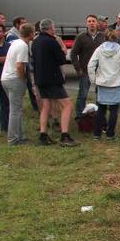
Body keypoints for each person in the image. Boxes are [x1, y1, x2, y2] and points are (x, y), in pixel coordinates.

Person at [31, 18, 79, 146]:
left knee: (46, 107)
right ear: (50, 28)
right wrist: (60, 46)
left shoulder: (35, 42)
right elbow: (62, 59)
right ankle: (64, 136)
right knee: (68, 105)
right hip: (52, 79)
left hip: (40, 79)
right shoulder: (52, 42)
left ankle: (43, 135)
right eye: (53, 27)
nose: (54, 29)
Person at [88, 29, 120, 141]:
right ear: (116, 38)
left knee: (101, 109)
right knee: (114, 110)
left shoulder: (99, 49)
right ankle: (110, 134)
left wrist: (93, 80)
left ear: (105, 38)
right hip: (116, 84)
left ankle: (97, 134)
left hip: (102, 83)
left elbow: (90, 65)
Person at [1, 24, 35, 145]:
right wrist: (23, 79)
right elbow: (20, 65)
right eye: (33, 33)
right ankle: (13, 139)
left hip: (5, 78)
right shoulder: (23, 46)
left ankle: (20, 136)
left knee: (17, 109)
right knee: (15, 110)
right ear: (30, 34)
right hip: (14, 79)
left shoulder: (15, 42)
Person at [69, 14, 105, 119]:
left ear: (97, 23)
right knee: (83, 95)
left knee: (100, 95)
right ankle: (80, 116)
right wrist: (78, 68)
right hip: (85, 71)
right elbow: (73, 54)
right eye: (89, 21)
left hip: (100, 71)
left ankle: (99, 116)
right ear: (86, 24)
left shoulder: (102, 36)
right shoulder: (81, 37)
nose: (91, 23)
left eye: (93, 21)